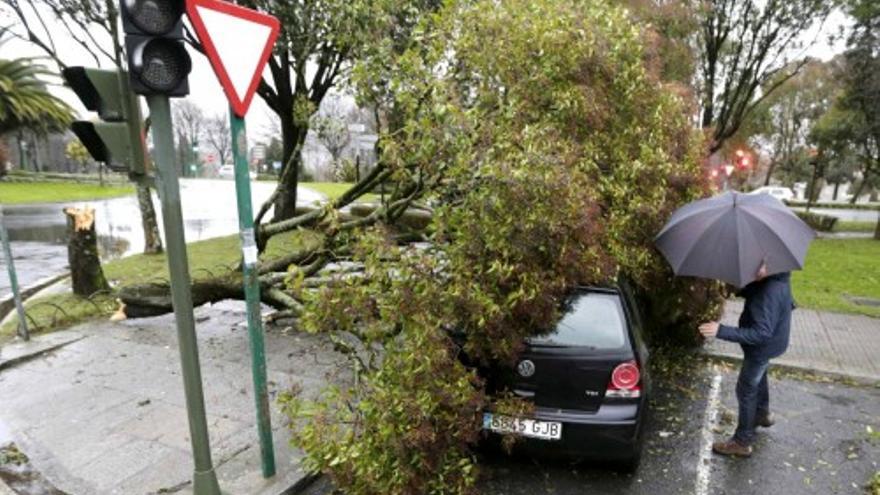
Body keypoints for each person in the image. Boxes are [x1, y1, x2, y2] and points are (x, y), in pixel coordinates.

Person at [698, 262, 794, 457]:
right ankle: (762, 414)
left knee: (746, 389)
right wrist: (740, 289)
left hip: (761, 348)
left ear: (771, 266)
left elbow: (761, 333)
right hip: (773, 344)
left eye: (761, 267)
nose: (755, 270)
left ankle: (742, 442)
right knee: (759, 377)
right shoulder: (779, 277)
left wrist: (721, 330)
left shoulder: (769, 291)